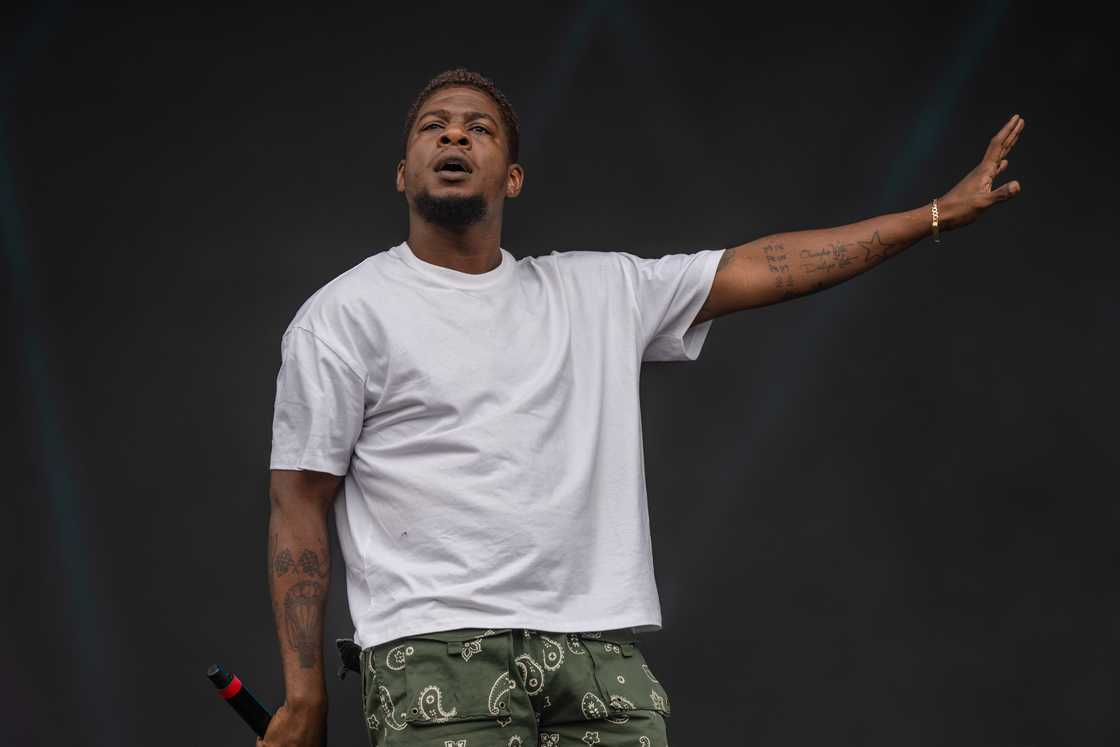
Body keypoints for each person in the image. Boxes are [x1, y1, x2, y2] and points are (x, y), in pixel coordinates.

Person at [261, 68, 1024, 747]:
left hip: (598, 653)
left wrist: (933, 214)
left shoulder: (600, 291)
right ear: (403, 173)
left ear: (514, 177)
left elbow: (764, 267)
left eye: (479, 128)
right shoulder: (342, 317)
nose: (455, 134)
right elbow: (299, 502)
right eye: (435, 126)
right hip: (437, 648)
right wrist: (304, 698)